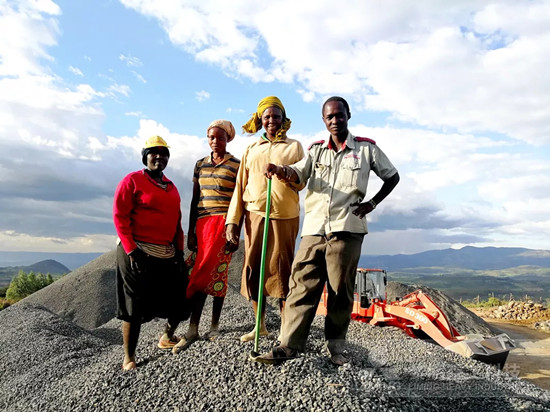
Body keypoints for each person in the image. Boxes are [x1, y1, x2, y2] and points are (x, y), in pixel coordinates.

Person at [256, 96, 400, 366]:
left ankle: (336, 348)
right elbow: (298, 173)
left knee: (339, 291)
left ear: (348, 115)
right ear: (323, 120)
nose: (335, 120)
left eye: (339, 115)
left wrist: (372, 203)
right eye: (329, 117)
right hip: (314, 229)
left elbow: (392, 176)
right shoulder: (316, 151)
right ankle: (289, 345)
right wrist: (280, 170)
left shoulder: (366, 149)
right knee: (301, 286)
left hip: (347, 229)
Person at [225, 96, 306, 342]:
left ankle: (285, 328)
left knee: (283, 269)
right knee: (254, 267)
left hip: (285, 215)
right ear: (260, 119)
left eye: (276, 116)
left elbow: (302, 181)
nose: (272, 120)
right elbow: (240, 186)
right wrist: (233, 222)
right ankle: (259, 325)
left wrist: (283, 174)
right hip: (255, 214)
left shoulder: (294, 147)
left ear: (283, 118)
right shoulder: (251, 148)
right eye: (267, 116)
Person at [113, 135, 188, 370]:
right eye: (154, 152)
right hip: (136, 250)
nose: (159, 157)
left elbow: (177, 223)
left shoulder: (172, 187)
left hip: (166, 251)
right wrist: (132, 250)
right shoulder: (132, 180)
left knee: (181, 296)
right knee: (133, 304)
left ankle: (167, 336)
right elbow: (120, 216)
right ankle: (129, 357)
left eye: (164, 153)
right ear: (145, 156)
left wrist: (179, 252)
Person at [172, 120, 240, 354]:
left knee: (216, 272)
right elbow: (195, 199)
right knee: (198, 272)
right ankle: (193, 327)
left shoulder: (236, 165)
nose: (215, 141)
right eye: (211, 137)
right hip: (202, 224)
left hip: (223, 223)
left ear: (228, 139)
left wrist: (235, 230)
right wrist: (191, 231)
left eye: (220, 137)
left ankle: (212, 326)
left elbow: (239, 200)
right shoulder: (200, 164)